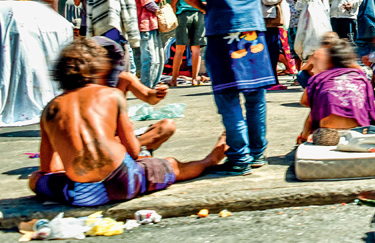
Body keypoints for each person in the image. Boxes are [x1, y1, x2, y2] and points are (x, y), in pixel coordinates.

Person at [29, 38, 227, 207]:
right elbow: (132, 150)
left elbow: (47, 169)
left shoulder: (50, 109)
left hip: (82, 195)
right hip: (125, 182)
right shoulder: (111, 94)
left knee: (35, 180)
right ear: (97, 69)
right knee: (172, 165)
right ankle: (209, 160)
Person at [181, 0, 276, 176]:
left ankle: (240, 159)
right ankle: (258, 154)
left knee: (227, 95)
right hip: (251, 28)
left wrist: (207, 7)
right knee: (256, 95)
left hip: (219, 28)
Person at [92, 36, 176, 153]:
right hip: (97, 140)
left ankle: (130, 148)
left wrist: (157, 93)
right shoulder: (84, 84)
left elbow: (148, 96)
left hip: (122, 138)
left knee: (167, 126)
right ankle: (132, 149)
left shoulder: (124, 78)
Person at [298, 36, 375, 146]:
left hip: (327, 135)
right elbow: (369, 107)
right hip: (359, 131)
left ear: (329, 59)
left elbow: (304, 102)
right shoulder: (361, 78)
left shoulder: (319, 78)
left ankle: (303, 138)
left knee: (313, 112)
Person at [133, 0, 168, 89]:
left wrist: (157, 1)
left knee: (158, 58)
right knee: (150, 57)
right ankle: (146, 87)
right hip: (144, 26)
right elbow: (148, 4)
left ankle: (153, 84)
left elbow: (147, 3)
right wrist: (160, 10)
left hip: (152, 25)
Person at [170, 0, 206, 87]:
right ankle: (195, 79)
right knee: (196, 49)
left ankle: (174, 79)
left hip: (183, 16)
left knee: (180, 49)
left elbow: (173, 3)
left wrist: (175, 16)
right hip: (199, 15)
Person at [262, 0, 293, 90]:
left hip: (265, 20)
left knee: (271, 51)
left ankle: (271, 80)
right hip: (269, 20)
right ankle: (271, 81)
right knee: (272, 51)